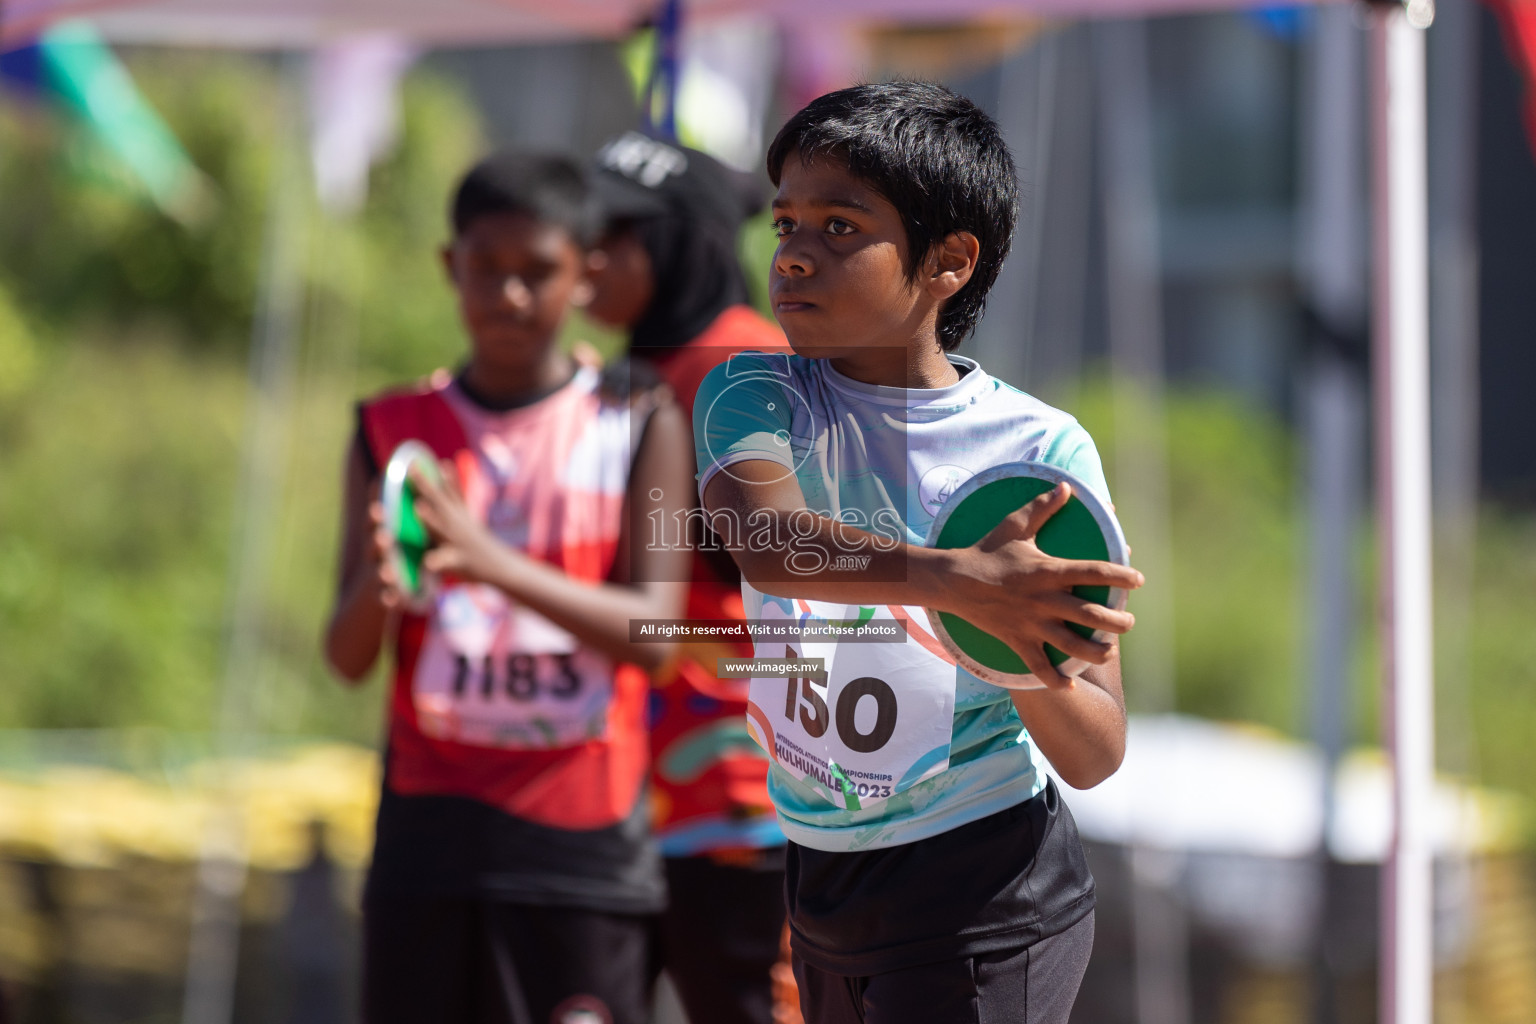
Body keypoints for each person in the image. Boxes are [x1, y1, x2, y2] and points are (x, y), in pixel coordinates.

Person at [692, 82, 1146, 1024]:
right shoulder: (752, 394)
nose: (796, 257)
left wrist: (1013, 642)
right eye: (785, 227)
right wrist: (959, 584)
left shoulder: (1040, 454)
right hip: (821, 880)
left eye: (841, 228)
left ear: (948, 261)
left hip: (986, 890)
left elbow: (1097, 751)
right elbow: (770, 546)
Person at [323, 151, 693, 1024]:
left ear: (586, 273)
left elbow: (660, 642)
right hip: (428, 844)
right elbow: (345, 660)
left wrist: (488, 561)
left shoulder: (639, 416)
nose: (510, 296)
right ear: (451, 267)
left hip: (582, 849)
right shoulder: (392, 429)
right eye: (486, 270)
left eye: (538, 272)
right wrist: (382, 586)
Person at [581, 130, 795, 1024]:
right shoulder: (629, 372)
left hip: (738, 795)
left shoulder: (742, 368)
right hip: (625, 791)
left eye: (613, 235)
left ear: (676, 244)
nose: (585, 257)